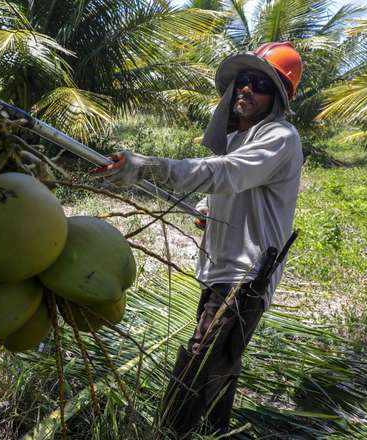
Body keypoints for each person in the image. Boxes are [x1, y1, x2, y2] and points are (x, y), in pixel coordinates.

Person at [97, 42, 304, 437]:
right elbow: (228, 184)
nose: (247, 88)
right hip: (223, 272)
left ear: (277, 96)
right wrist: (211, 212)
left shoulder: (280, 136)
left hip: (245, 278)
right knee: (219, 363)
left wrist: (150, 167)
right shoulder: (240, 139)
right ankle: (215, 430)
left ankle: (169, 433)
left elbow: (226, 174)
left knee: (198, 364)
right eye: (243, 79)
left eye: (260, 83)